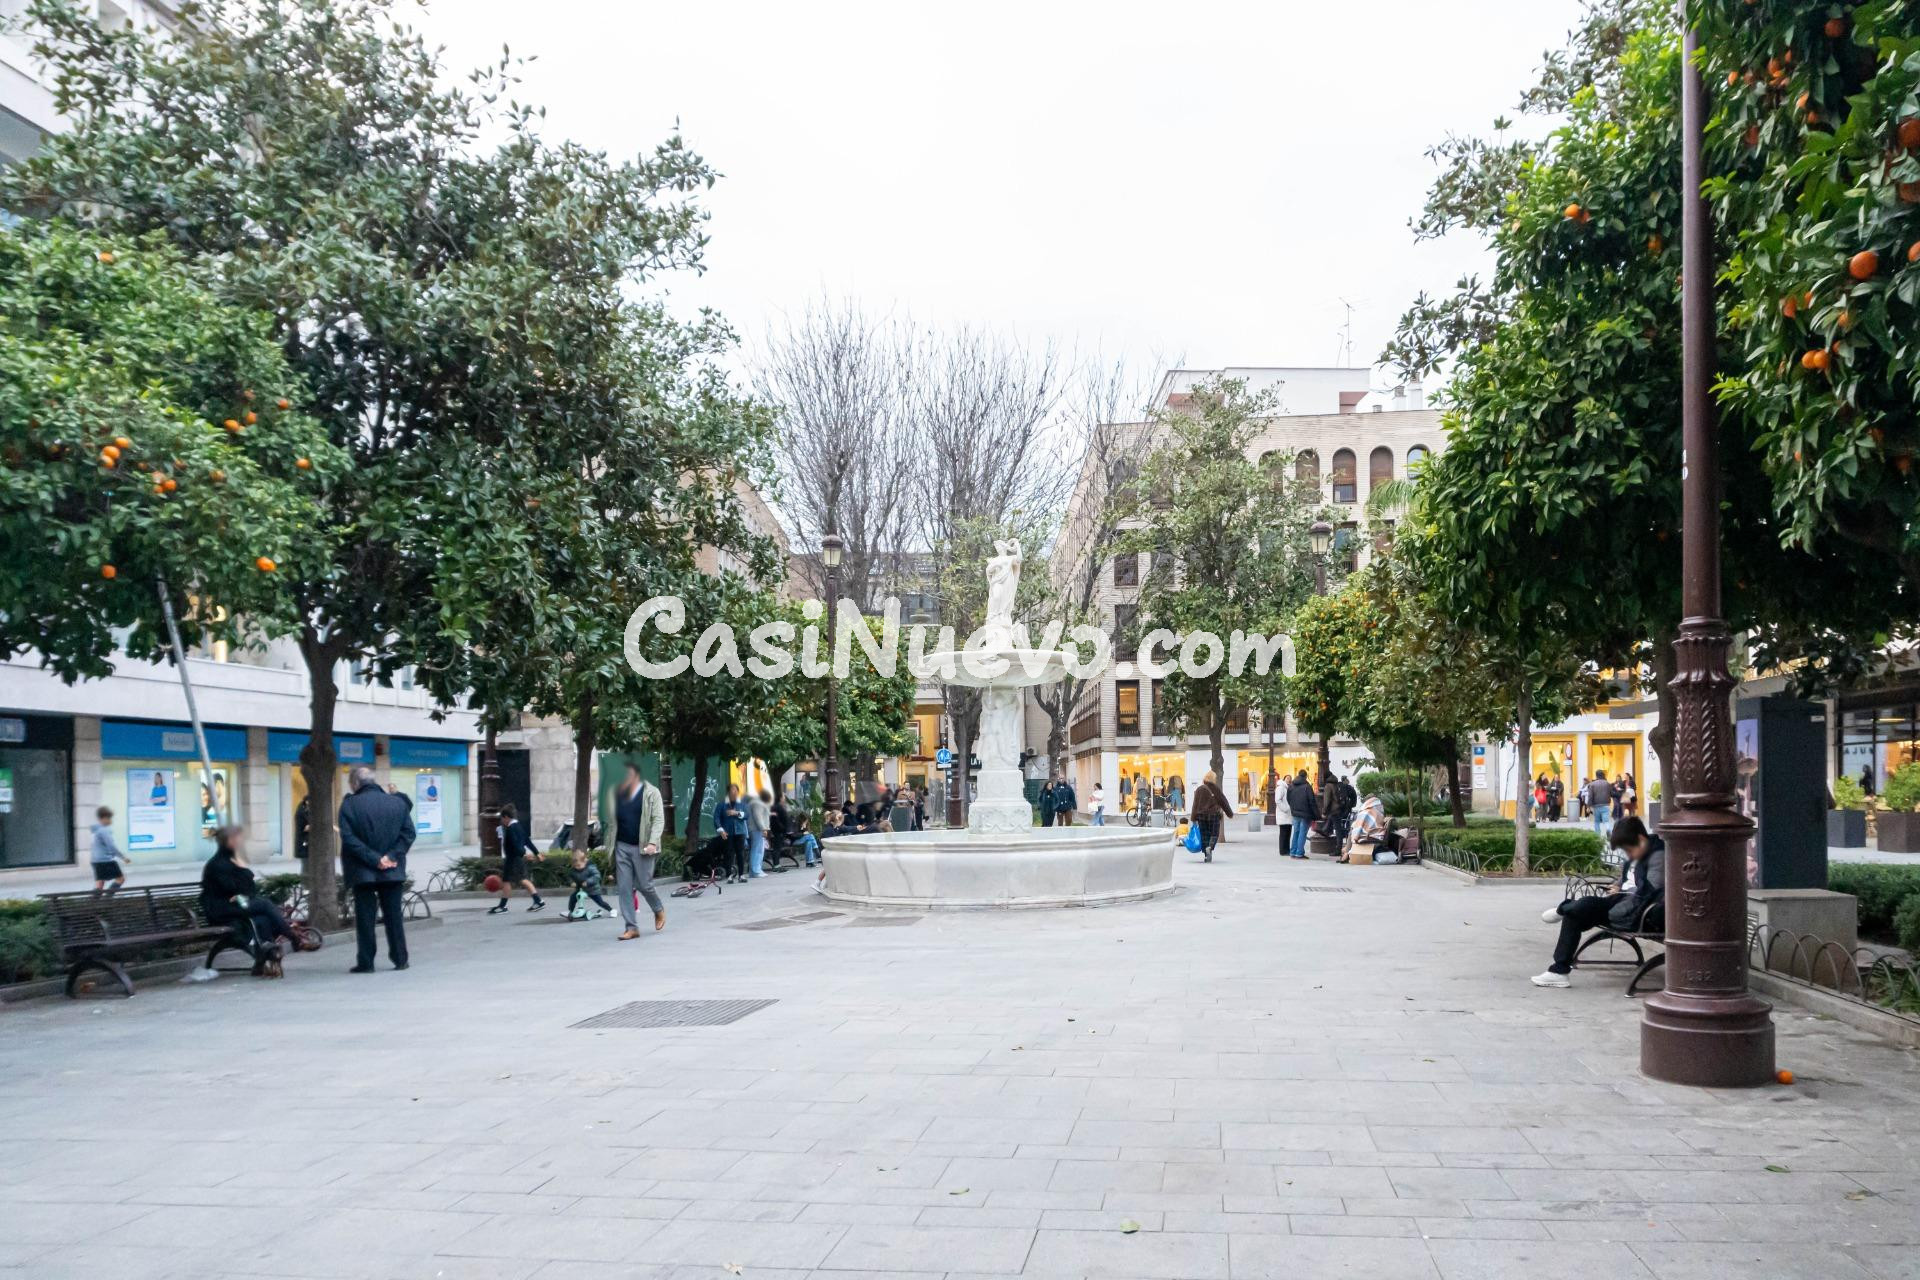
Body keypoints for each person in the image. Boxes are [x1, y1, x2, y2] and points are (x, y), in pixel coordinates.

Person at [1533, 816, 1666, 987]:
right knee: (1576, 913)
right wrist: (1617, 886)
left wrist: (1618, 904)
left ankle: (1562, 909)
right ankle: (1558, 971)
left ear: (1641, 839)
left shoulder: (1657, 856)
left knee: (1585, 905)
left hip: (1636, 912)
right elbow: (1628, 878)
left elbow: (1650, 892)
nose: (1628, 855)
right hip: (1623, 901)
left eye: (1628, 850)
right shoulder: (1640, 851)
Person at [200, 825, 309, 973]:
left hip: (235, 904)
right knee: (264, 904)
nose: (241, 842)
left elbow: (248, 890)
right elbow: (231, 888)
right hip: (220, 909)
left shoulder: (230, 861)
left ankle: (265, 960)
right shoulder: (217, 864)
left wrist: (241, 876)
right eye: (238, 839)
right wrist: (241, 879)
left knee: (263, 918)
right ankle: (293, 937)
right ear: (230, 841)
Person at [337, 764, 415, 973]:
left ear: (355, 783)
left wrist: (374, 859)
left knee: (365, 919)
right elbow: (408, 834)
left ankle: (366, 961)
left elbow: (348, 838)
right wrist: (390, 856)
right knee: (394, 917)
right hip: (392, 869)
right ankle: (400, 959)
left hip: (363, 872)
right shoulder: (397, 803)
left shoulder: (349, 805)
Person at [612, 761, 666, 940]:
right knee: (625, 888)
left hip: (643, 847)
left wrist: (652, 842)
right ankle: (631, 927)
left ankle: (658, 909)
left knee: (644, 884)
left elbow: (658, 820)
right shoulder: (618, 792)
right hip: (622, 846)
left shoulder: (651, 793)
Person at [488, 803, 546, 915]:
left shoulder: (510, 828)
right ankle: (503, 905)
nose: (502, 821)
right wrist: (536, 853)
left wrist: (523, 854)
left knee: (522, 880)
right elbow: (527, 841)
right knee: (508, 881)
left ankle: (538, 901)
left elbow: (516, 845)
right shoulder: (518, 826)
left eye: (502, 818)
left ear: (506, 817)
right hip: (514, 858)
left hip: (513, 859)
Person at [1188, 770, 1233, 862]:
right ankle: (1210, 847)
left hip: (1201, 816)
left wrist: (1193, 818)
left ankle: (1206, 855)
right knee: (1214, 833)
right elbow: (1223, 802)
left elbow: (1195, 804)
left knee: (1204, 835)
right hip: (1214, 815)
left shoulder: (1199, 789)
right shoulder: (1215, 789)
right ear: (1213, 779)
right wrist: (1229, 813)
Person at [713, 784, 749, 884]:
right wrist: (721, 830)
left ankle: (741, 875)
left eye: (736, 791)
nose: (734, 792)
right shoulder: (722, 804)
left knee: (740, 854)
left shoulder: (741, 803)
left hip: (740, 832)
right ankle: (729, 875)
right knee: (728, 854)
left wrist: (736, 813)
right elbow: (716, 818)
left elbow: (747, 815)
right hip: (727, 833)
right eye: (732, 790)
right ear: (728, 792)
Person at [564, 850, 613, 921]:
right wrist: (571, 882)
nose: (577, 867)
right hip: (580, 889)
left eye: (579, 865)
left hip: (592, 889)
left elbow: (597, 876)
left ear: (585, 862)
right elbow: (569, 877)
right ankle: (570, 911)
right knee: (573, 898)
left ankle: (611, 910)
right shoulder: (573, 869)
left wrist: (588, 881)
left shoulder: (590, 868)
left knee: (600, 902)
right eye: (575, 866)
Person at [89, 805, 128, 895]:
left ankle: (92, 903)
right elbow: (111, 846)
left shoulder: (95, 830)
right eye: (109, 818)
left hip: (95, 860)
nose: (111, 821)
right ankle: (108, 898)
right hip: (105, 860)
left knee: (99, 884)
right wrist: (123, 857)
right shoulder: (104, 831)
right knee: (120, 879)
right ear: (104, 818)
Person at [1341, 795, 1388, 863]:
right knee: (1353, 830)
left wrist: (1355, 835)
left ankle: (1346, 853)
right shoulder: (1378, 811)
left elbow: (1358, 828)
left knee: (1352, 830)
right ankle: (1346, 851)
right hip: (1378, 835)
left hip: (1371, 837)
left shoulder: (1367, 812)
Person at [1285, 770, 1318, 859]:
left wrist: (1293, 807)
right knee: (1302, 833)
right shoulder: (1307, 787)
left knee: (1296, 832)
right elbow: (1312, 801)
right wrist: (1316, 814)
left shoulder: (1291, 786)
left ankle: (1293, 852)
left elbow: (1288, 799)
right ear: (1305, 776)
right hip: (1305, 813)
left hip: (1295, 813)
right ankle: (1299, 853)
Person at [747, 787, 772, 878]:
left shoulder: (756, 802)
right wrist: (763, 828)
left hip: (756, 829)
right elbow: (758, 817)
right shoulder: (757, 803)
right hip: (756, 829)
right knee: (757, 850)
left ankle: (755, 870)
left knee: (758, 849)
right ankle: (756, 871)